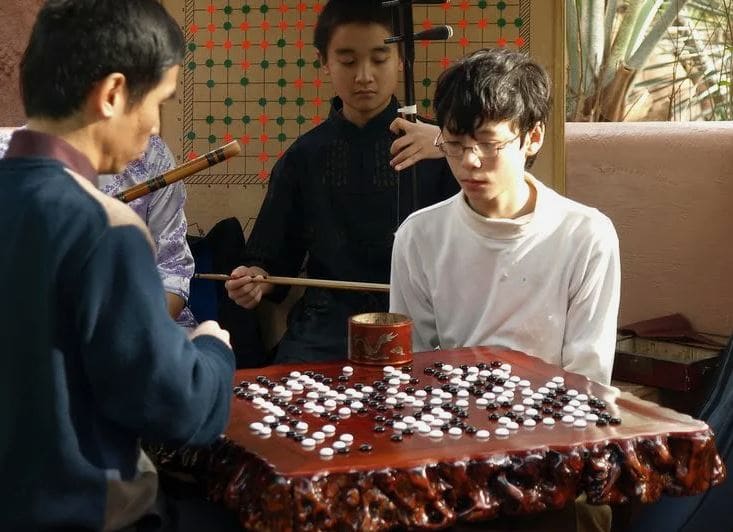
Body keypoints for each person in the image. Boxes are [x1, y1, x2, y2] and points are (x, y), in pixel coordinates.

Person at [0, 1, 236, 530]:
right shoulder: (105, 227)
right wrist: (211, 351)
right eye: (158, 102)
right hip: (79, 511)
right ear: (112, 94)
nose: (154, 127)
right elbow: (176, 409)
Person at [225, 0, 458, 364]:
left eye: (379, 59)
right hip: (327, 325)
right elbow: (270, 259)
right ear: (324, 60)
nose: (364, 75)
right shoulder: (305, 156)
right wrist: (255, 278)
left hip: (424, 320)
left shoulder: (440, 147)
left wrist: (449, 146)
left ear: (401, 59)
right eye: (348, 61)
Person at [389, 48, 620, 386]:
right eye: (454, 144)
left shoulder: (585, 236)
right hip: (450, 425)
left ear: (534, 137)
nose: (470, 161)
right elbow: (413, 365)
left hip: (554, 424)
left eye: (489, 144)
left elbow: (588, 377)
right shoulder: (419, 236)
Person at [0, 131, 198, 328]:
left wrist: (125, 338)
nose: (154, 125)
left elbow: (172, 273)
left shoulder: (151, 153)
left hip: (138, 329)